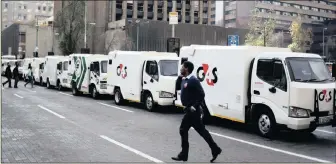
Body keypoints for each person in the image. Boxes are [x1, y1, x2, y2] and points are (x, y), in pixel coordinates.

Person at [172, 61, 222, 163]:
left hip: (192, 111)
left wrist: (195, 106)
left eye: (182, 67)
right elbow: (177, 87)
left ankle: (183, 154)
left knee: (183, 129)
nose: (181, 68)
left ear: (186, 68)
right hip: (189, 110)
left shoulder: (193, 80)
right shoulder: (184, 79)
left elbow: (202, 94)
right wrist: (179, 77)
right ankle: (215, 149)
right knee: (201, 131)